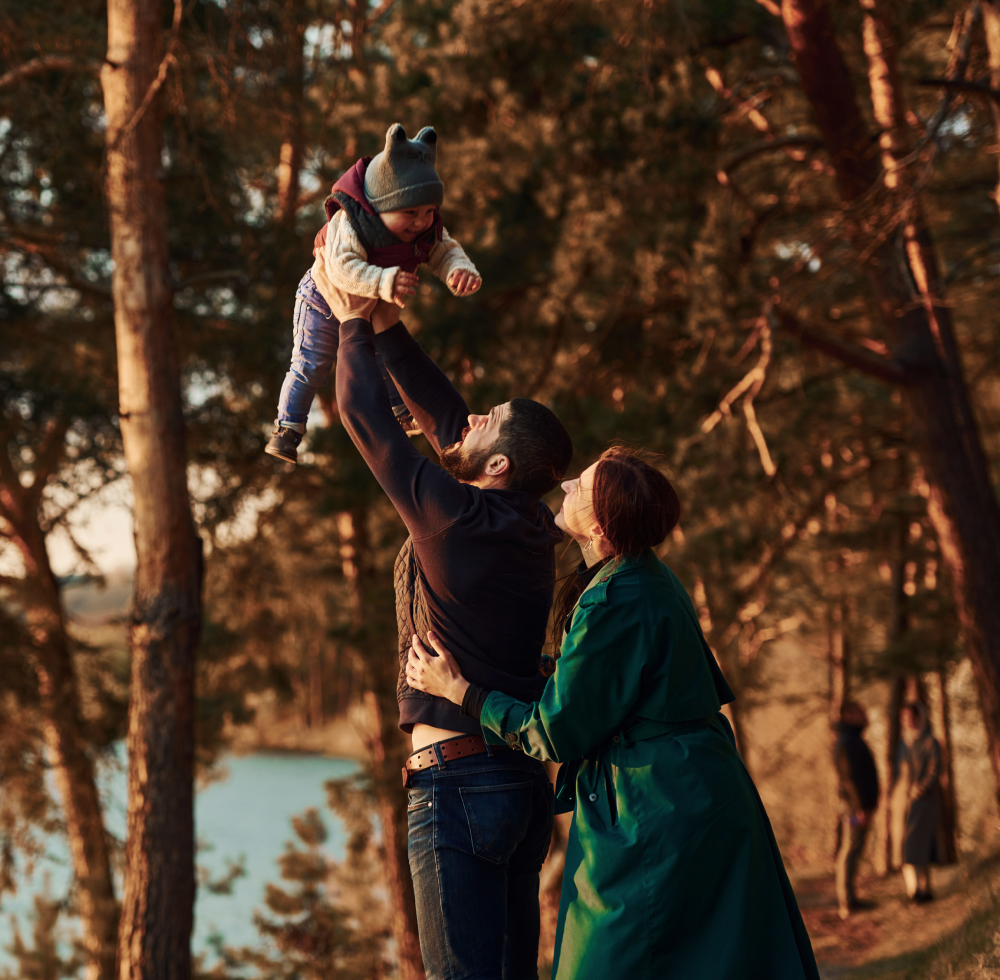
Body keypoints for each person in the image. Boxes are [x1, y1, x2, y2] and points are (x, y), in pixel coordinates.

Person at [406, 447, 821, 980]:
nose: (566, 484)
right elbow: (601, 682)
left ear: (599, 527)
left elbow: (552, 734)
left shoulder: (615, 598)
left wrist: (460, 690)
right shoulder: (645, 577)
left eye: (581, 486)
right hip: (693, 794)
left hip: (656, 808)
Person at [329, 291, 574, 979]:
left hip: (459, 783)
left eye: (489, 420)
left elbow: (367, 422)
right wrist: (386, 326)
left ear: (499, 467)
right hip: (520, 784)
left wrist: (349, 320)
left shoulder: (457, 519)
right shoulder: (528, 526)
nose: (471, 417)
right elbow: (450, 428)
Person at [266, 123, 481, 463]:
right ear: (381, 205)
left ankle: (400, 411)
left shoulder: (424, 226)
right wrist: (384, 282)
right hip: (322, 299)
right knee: (312, 364)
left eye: (428, 212)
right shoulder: (351, 222)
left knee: (384, 357)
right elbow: (340, 267)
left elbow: (444, 249)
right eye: (409, 213)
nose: (420, 222)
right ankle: (288, 427)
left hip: (370, 304)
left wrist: (459, 269)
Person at [832, 701, 880, 919]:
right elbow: (851, 778)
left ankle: (850, 898)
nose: (865, 715)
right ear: (849, 715)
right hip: (853, 808)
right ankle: (847, 901)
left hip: (857, 806)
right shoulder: (847, 742)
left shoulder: (852, 740)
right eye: (861, 712)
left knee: (853, 849)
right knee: (850, 849)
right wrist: (861, 808)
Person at [897, 701, 948, 903]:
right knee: (908, 848)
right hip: (904, 802)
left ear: (919, 718)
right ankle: (914, 890)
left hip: (923, 802)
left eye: (910, 717)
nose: (907, 721)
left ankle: (923, 890)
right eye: (904, 717)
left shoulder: (929, 741)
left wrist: (921, 789)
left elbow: (935, 770)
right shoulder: (904, 743)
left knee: (920, 847)